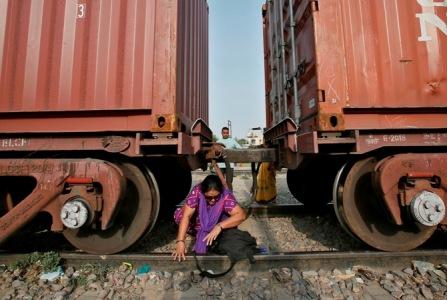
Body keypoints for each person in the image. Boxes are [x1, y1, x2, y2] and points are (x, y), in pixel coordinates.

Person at [172, 174, 247, 262]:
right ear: (203, 192)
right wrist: (180, 241)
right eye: (208, 197)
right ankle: (201, 232)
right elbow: (186, 216)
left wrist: (219, 226)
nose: (213, 200)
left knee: (230, 221)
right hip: (199, 222)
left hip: (216, 223)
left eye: (216, 197)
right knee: (179, 215)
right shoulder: (197, 191)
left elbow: (241, 215)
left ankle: (211, 233)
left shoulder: (225, 195)